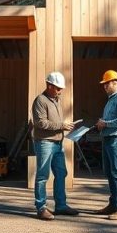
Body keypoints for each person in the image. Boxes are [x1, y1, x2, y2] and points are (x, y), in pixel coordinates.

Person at [31, 71, 79, 221]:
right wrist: (62, 125)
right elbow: (40, 123)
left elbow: (54, 123)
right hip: (45, 143)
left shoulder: (56, 100)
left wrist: (66, 127)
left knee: (61, 173)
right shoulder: (40, 100)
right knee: (42, 176)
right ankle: (41, 208)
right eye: (58, 88)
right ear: (49, 85)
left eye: (61, 89)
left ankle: (61, 206)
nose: (60, 91)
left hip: (58, 143)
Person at [94, 69, 117, 220]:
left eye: (106, 84)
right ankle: (114, 205)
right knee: (110, 173)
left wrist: (106, 123)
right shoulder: (111, 99)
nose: (104, 86)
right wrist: (102, 124)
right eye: (103, 84)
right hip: (109, 138)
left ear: (115, 83)